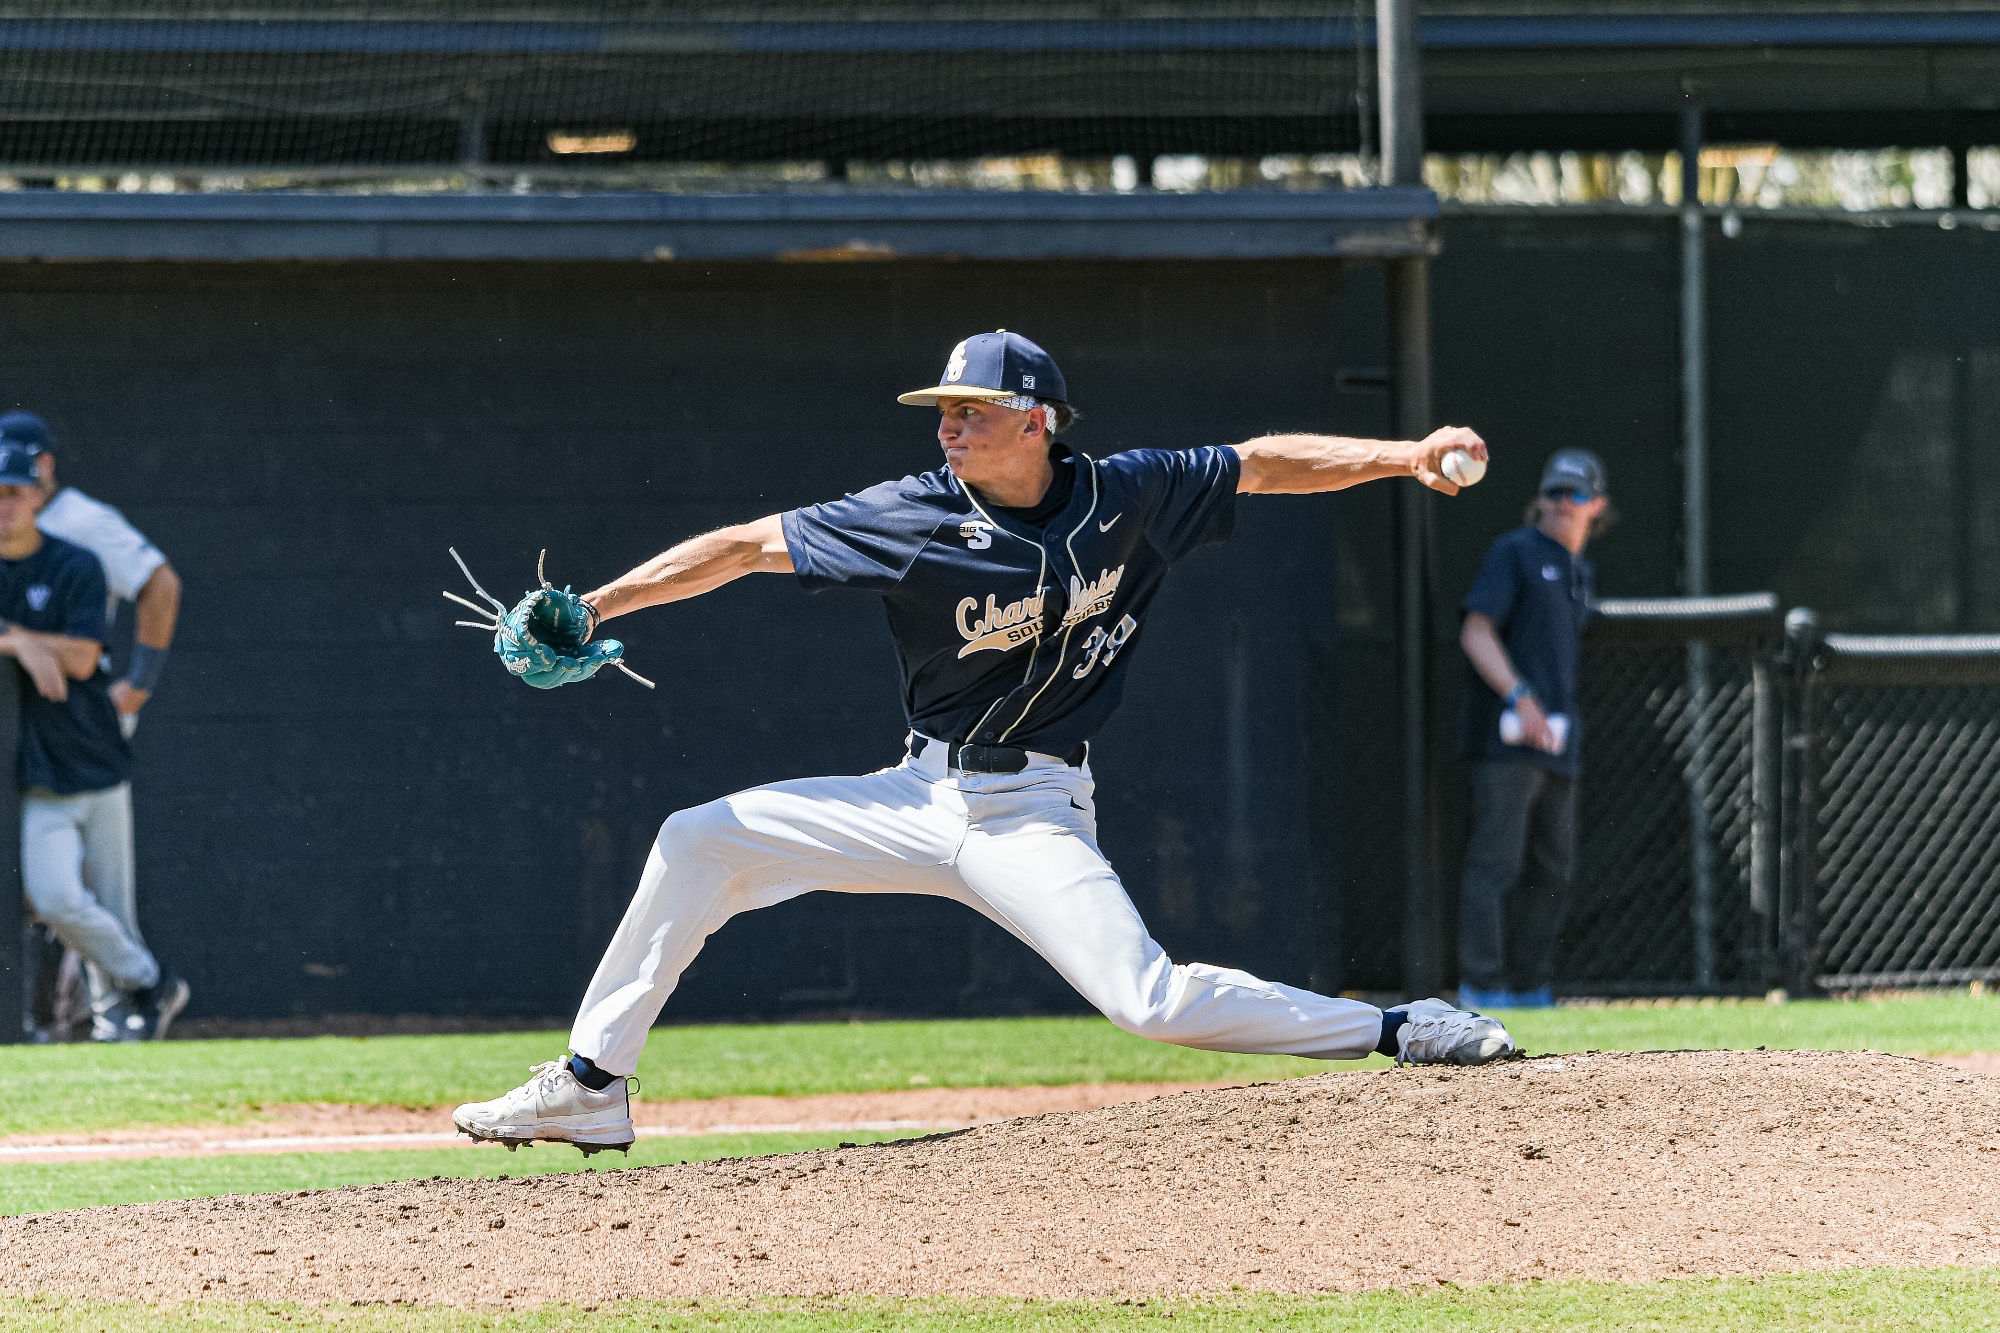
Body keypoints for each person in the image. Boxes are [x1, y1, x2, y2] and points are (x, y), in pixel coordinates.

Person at [453, 331, 1517, 1153]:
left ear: (1038, 420)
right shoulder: (910, 515)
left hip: (1032, 811)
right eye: (941, 410)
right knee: (697, 840)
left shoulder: (1127, 495)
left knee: (1143, 999)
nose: (946, 427)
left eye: (971, 409)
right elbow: (743, 546)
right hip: (914, 797)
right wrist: (597, 603)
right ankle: (592, 1086)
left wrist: (1403, 455)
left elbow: (1259, 465)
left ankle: (1395, 1027)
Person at [0, 411, 184, 1041]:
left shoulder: (79, 530)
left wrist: (136, 686)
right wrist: (21, 642)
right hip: (27, 750)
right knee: (51, 893)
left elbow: (159, 584)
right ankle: (102, 1001)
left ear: (44, 472)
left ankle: (126, 1011)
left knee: (107, 892)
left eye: (19, 481)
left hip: (85, 733)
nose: (9, 500)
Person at [1454, 449, 1610, 1012]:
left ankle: (1530, 987)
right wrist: (1520, 698)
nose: (1560, 504)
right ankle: (1483, 987)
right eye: (1552, 493)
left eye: (1573, 494)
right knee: (1496, 862)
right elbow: (1476, 631)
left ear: (1596, 505)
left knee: (1553, 866)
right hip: (1508, 744)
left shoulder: (1579, 572)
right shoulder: (1515, 552)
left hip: (1559, 745)